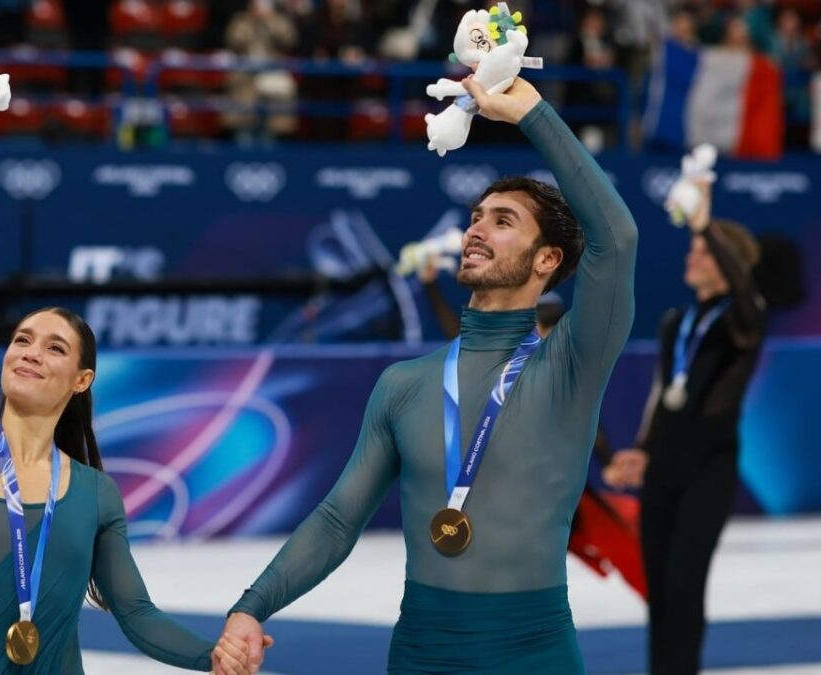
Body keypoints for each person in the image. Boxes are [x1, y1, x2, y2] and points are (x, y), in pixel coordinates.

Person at [216, 75, 638, 674]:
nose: (476, 229)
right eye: (475, 216)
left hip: (534, 654)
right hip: (421, 652)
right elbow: (338, 520)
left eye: (503, 221)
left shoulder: (569, 364)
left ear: (547, 260)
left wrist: (532, 114)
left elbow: (616, 241)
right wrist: (252, 607)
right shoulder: (405, 384)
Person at [0, 118, 256, 674]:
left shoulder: (96, 493)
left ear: (82, 380)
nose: (30, 352)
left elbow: (135, 613)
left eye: (54, 348)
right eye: (22, 340)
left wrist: (214, 658)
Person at [605, 178, 767, 675]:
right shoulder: (678, 321)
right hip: (665, 466)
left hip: (708, 466)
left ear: (727, 264)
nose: (691, 257)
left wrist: (706, 225)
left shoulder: (743, 319)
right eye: (695, 247)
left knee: (684, 581)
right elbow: (661, 393)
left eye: (702, 250)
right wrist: (641, 449)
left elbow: (744, 292)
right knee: (659, 587)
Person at [419, 264, 647, 599]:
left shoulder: (566, 370)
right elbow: (457, 333)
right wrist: (430, 287)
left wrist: (608, 459)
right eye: (545, 325)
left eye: (555, 326)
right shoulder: (504, 360)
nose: (549, 334)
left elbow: (587, 422)